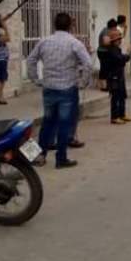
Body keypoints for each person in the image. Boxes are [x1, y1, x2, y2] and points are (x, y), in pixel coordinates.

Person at [27, 13, 92, 169]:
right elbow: (88, 64)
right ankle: (61, 159)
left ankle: (40, 156)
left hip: (48, 88)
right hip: (67, 89)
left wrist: (36, 79)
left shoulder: (44, 42)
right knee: (64, 124)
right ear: (70, 26)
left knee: (47, 122)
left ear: (54, 24)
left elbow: (30, 60)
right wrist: (83, 82)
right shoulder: (74, 43)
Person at [105, 29, 131, 124]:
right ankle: (114, 117)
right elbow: (121, 59)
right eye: (118, 39)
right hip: (114, 76)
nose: (120, 41)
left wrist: (126, 56)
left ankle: (122, 114)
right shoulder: (111, 51)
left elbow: (122, 59)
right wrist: (128, 53)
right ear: (114, 41)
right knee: (116, 97)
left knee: (122, 95)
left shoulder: (117, 49)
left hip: (119, 75)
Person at [97, 19, 117, 91]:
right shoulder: (106, 31)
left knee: (106, 68)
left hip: (104, 52)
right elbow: (106, 42)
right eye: (115, 27)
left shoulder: (107, 30)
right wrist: (113, 41)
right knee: (104, 69)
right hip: (103, 52)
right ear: (113, 26)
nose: (115, 29)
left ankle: (104, 85)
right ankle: (103, 86)